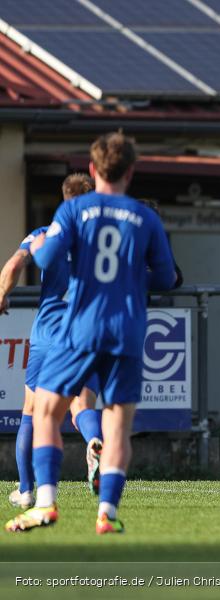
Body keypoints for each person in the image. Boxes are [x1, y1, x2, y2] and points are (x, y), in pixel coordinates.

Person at [5, 132, 177, 534]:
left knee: (45, 413)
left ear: (95, 169)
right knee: (117, 425)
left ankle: (45, 503)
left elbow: (45, 256)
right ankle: (107, 514)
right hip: (128, 331)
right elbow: (167, 278)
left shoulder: (74, 210)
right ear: (131, 172)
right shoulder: (145, 217)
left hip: (79, 328)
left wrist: (46, 241)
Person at [0, 173, 104, 509]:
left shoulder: (45, 235)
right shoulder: (102, 243)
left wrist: (2, 294)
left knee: (31, 409)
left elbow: (16, 263)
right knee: (81, 406)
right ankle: (95, 441)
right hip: (87, 334)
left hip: (49, 333)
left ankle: (27, 490)